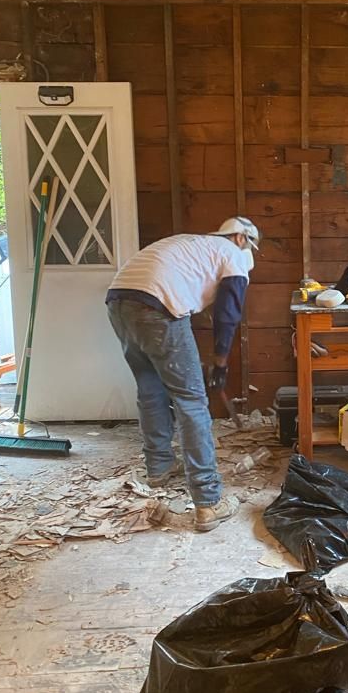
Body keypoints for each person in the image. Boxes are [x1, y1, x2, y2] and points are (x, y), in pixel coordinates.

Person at [105, 217, 260, 532]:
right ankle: (208, 502)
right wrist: (220, 361)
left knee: (150, 390)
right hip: (158, 306)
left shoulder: (192, 244)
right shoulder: (232, 254)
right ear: (242, 239)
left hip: (119, 302)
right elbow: (228, 314)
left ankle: (159, 466)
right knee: (191, 401)